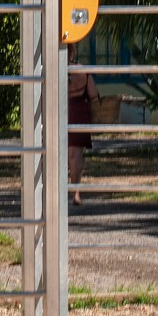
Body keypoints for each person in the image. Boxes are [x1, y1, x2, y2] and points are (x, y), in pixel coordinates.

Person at [67, 49, 97, 207]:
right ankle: (76, 193)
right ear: (72, 52)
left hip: (59, 110)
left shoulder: (52, 70)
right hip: (79, 111)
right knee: (76, 156)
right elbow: (93, 94)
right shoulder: (82, 70)